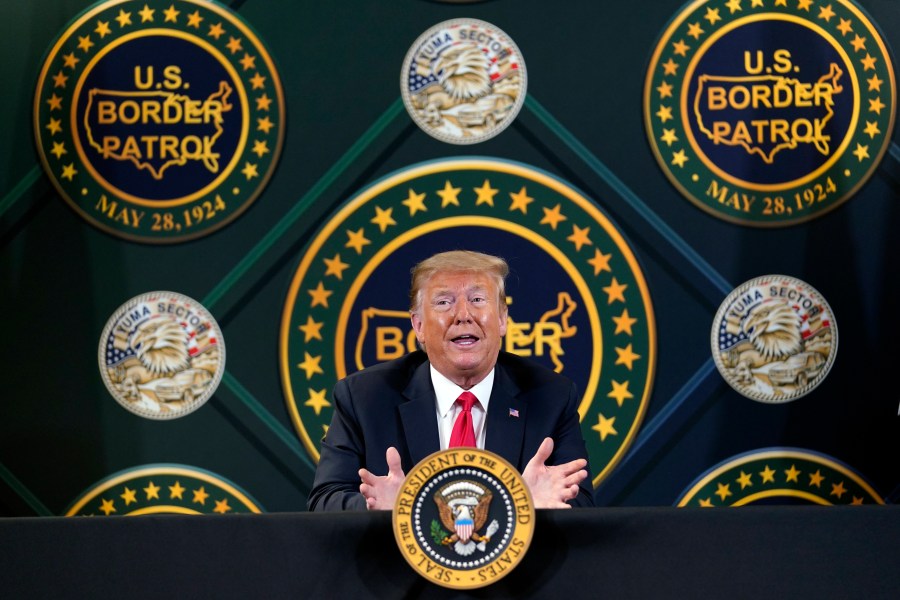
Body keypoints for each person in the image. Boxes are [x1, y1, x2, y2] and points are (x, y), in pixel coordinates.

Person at [307, 250, 593, 511]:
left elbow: (580, 505)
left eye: (477, 300)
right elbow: (324, 501)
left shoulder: (550, 396)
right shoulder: (364, 398)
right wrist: (385, 509)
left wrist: (523, 503)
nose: (463, 316)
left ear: (503, 319)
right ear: (418, 325)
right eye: (444, 302)